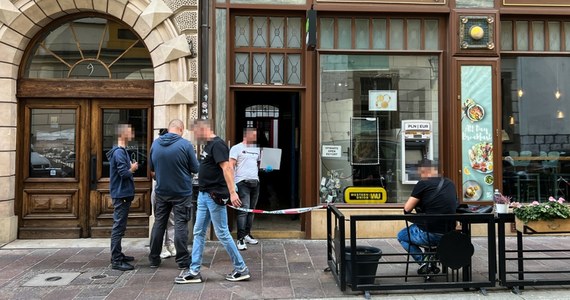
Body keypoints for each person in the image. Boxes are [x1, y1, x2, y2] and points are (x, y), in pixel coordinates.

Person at [175, 119, 250, 284]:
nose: (195, 136)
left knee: (222, 232)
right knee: (198, 232)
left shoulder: (218, 145)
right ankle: (194, 271)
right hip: (204, 195)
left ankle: (241, 268)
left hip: (214, 196)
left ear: (203, 129)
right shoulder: (209, 146)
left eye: (195, 132)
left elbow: (227, 168)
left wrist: (232, 192)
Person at [148, 120, 200, 269]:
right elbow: (195, 168)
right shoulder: (185, 145)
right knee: (180, 225)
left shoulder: (155, 144)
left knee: (159, 223)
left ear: (169, 129)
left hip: (161, 191)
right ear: (181, 129)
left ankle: (153, 258)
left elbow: (152, 168)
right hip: (181, 192)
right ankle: (183, 261)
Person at [397, 159, 458, 275]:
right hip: (449, 234)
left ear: (423, 171)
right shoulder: (450, 183)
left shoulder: (423, 184)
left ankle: (425, 263)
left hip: (430, 234)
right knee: (425, 228)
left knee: (402, 236)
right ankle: (431, 259)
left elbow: (407, 208)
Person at [106, 123, 139, 271]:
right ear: (123, 134)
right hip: (121, 193)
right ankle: (116, 260)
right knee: (118, 226)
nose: (132, 134)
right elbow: (123, 173)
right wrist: (131, 169)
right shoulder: (119, 152)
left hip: (123, 193)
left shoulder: (121, 151)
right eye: (130, 131)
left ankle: (118, 254)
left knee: (120, 225)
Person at [230, 127, 261, 251]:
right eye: (253, 135)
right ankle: (240, 238)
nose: (255, 138)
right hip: (242, 183)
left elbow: (258, 164)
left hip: (255, 182)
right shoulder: (236, 148)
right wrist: (232, 185)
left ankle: (247, 234)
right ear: (246, 135)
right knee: (244, 210)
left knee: (251, 210)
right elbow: (230, 166)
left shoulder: (256, 149)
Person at [150, 128, 177, 259]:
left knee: (170, 220)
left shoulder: (168, 150)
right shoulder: (156, 148)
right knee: (161, 221)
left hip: (167, 189)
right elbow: (151, 171)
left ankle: (170, 245)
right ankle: (159, 248)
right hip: (162, 189)